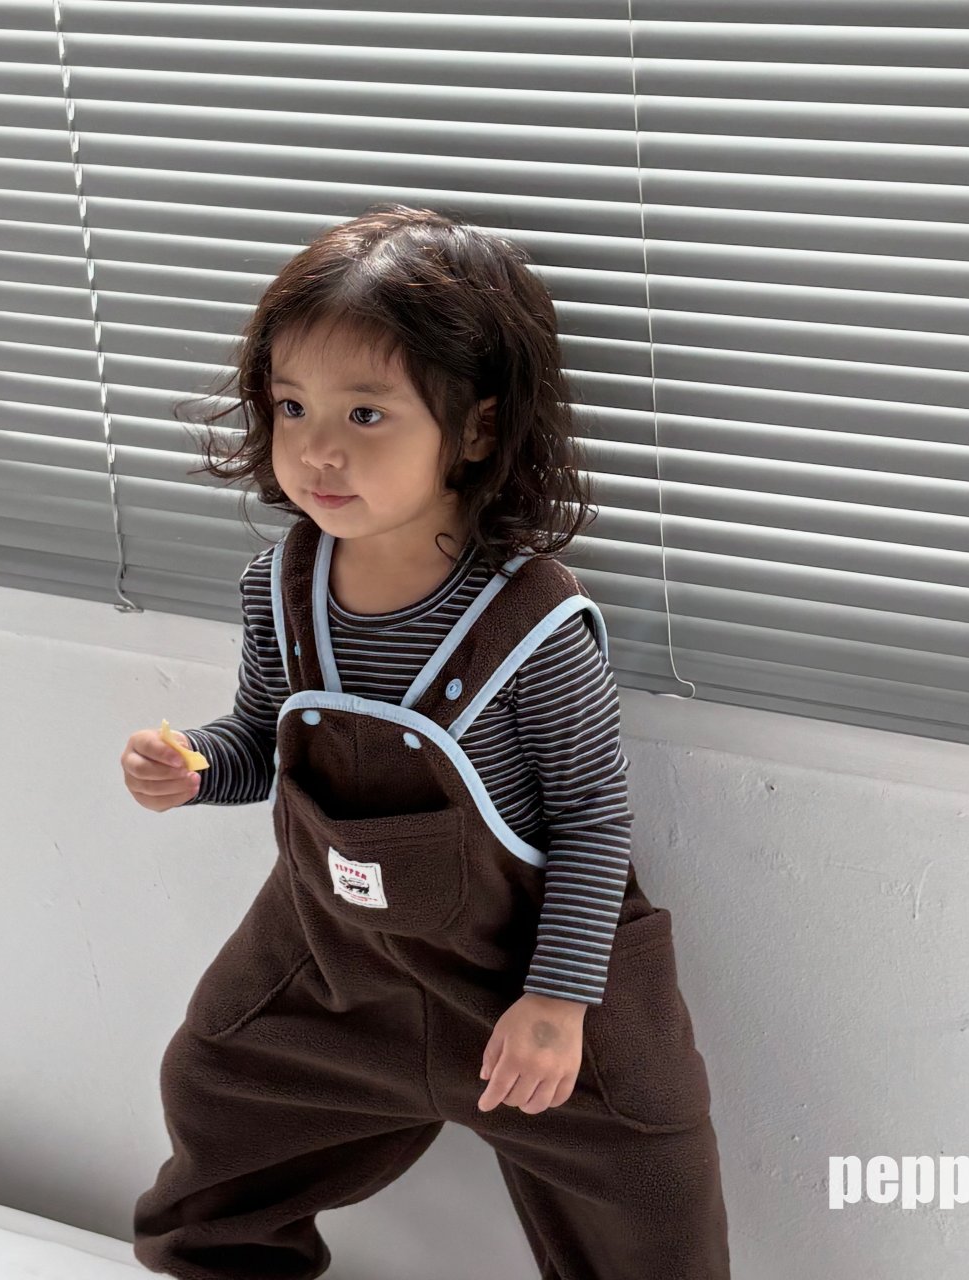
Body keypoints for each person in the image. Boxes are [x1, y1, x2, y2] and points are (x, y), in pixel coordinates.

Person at [122, 204, 729, 1279]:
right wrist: (197, 766)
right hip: (334, 979)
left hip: (522, 987)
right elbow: (262, 736)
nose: (318, 447)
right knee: (212, 1085)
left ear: (477, 430)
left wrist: (557, 1004)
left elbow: (591, 821)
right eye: (292, 406)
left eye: (367, 413)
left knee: (651, 1195)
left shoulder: (532, 624)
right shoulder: (283, 586)